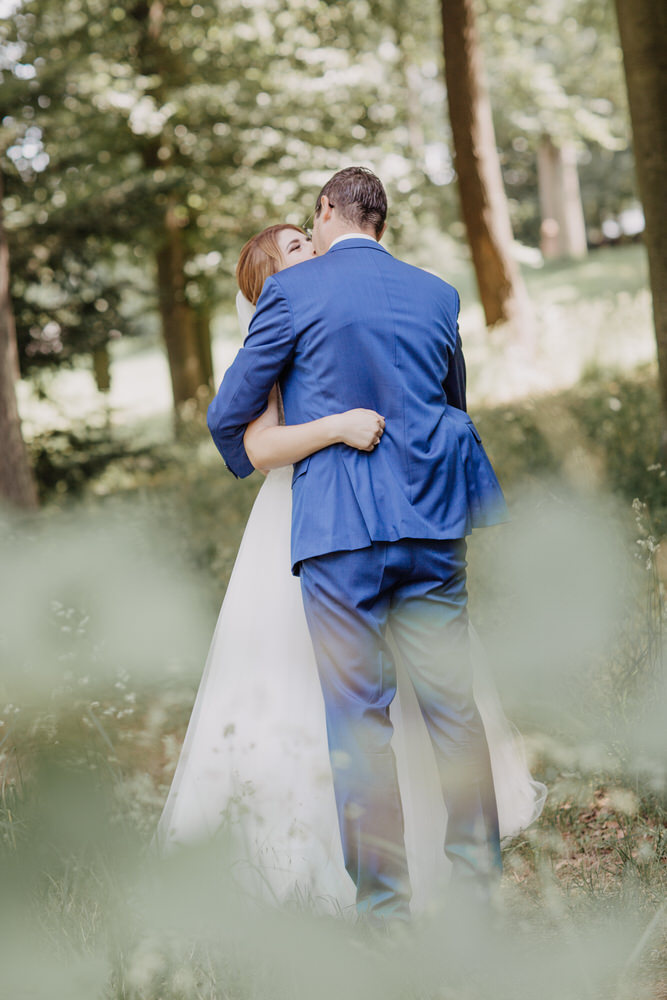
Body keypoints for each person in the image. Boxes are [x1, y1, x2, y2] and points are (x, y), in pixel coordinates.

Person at [163, 204, 545, 920]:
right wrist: (336, 426)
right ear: (268, 278)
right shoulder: (304, 309)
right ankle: (426, 889)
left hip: (371, 525)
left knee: (389, 713)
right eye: (295, 246)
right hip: (331, 519)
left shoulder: (350, 303)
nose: (310, 249)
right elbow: (251, 437)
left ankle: (398, 902)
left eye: (308, 234)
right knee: (374, 711)